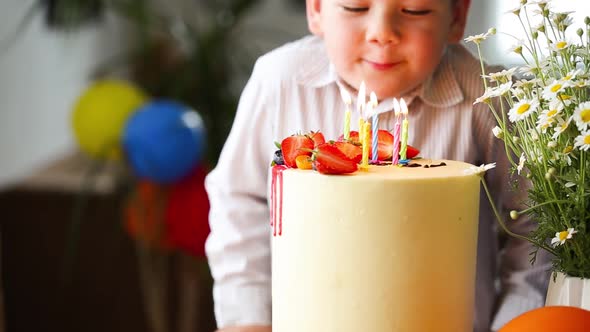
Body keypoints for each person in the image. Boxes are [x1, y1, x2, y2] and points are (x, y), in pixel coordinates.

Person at [205, 0, 551, 331]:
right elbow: (239, 200)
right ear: (316, 10)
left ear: (457, 16)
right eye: (355, 7)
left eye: (415, 10)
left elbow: (534, 222)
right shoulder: (279, 81)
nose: (382, 32)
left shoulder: (490, 97)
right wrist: (248, 316)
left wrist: (514, 321)